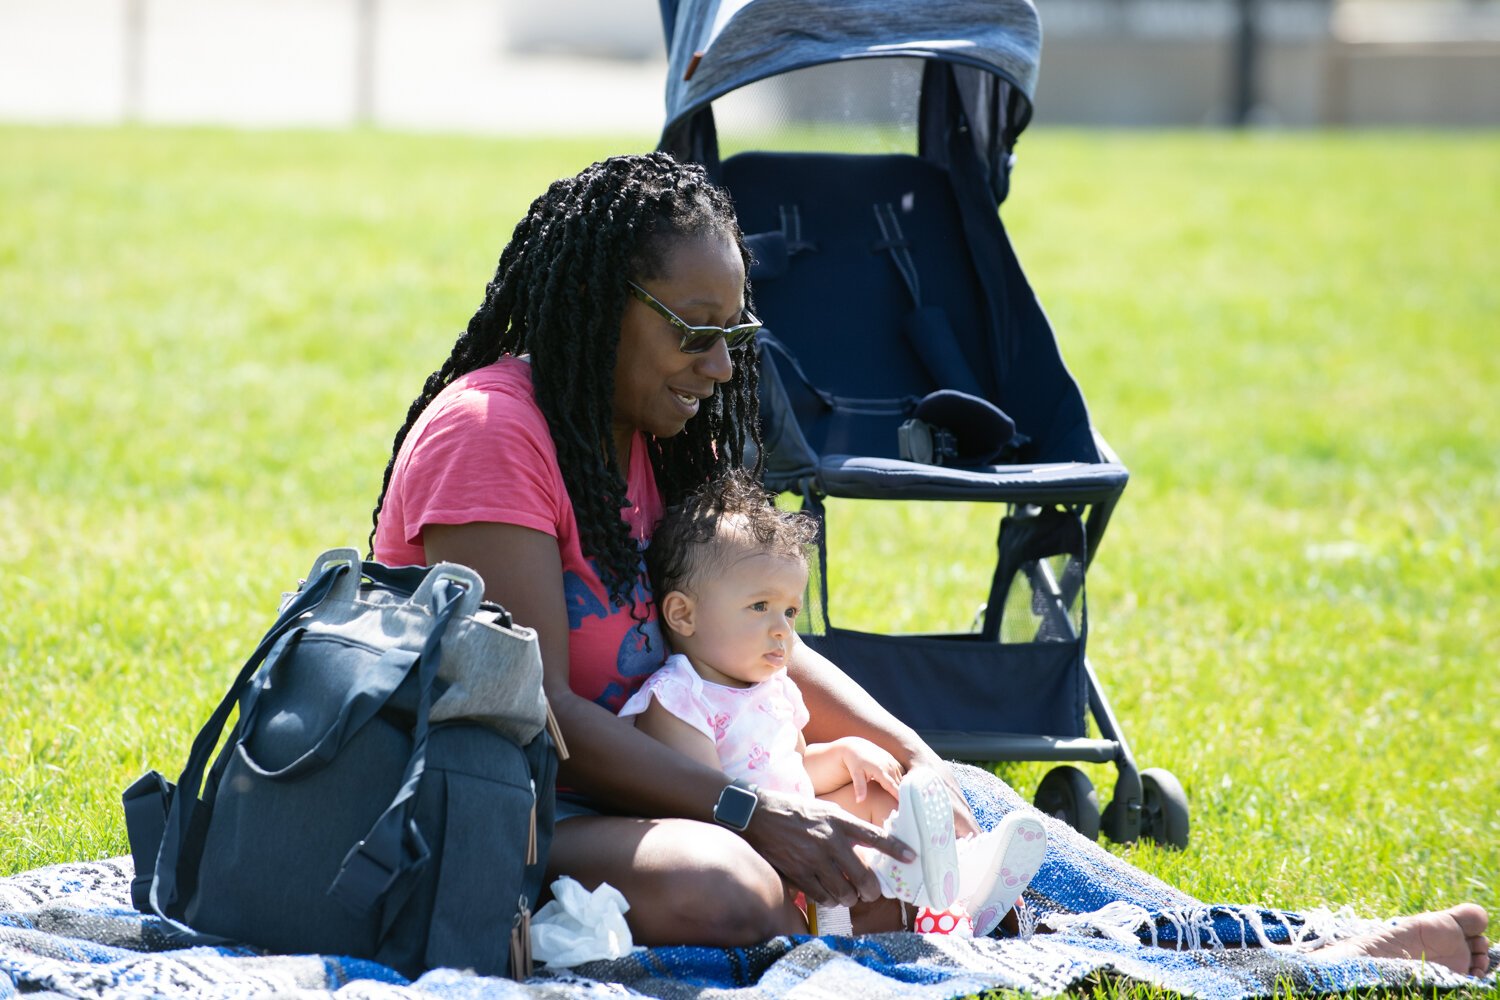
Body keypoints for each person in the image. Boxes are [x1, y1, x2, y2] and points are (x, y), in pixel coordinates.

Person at [367, 151, 1489, 975]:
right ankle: (1251, 957)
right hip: (496, 814)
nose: (718, 368)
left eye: (736, 339)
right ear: (597, 309)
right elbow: (542, 714)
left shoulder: (641, 438)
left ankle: (1282, 946)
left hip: (662, 792)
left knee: (953, 813)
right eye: (692, 331)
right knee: (736, 886)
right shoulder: (492, 435)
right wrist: (761, 813)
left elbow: (749, 632)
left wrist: (915, 759)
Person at [618, 467, 1048, 937]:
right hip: (756, 849)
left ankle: (953, 884)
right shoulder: (679, 698)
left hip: (802, 828)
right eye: (760, 607)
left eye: (789, 610)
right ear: (684, 614)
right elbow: (707, 805)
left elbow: (797, 767)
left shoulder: (773, 686)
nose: (782, 629)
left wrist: (844, 755)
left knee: (880, 790)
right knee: (846, 853)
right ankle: (920, 894)